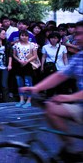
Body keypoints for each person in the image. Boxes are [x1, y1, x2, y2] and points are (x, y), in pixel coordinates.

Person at [21, 20, 83, 161]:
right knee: (51, 107)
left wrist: (69, 98)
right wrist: (36, 88)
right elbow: (61, 75)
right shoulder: (80, 56)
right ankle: (70, 148)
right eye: (77, 33)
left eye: (81, 34)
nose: (77, 37)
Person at [12, 30, 39, 108]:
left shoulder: (33, 45)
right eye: (22, 35)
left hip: (29, 65)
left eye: (26, 35)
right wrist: (19, 60)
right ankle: (21, 100)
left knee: (28, 83)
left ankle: (29, 100)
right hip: (18, 65)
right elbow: (14, 55)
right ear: (19, 36)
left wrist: (27, 61)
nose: (24, 37)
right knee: (19, 83)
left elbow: (35, 55)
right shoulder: (16, 45)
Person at [41, 32, 68, 96]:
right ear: (49, 39)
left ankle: (59, 99)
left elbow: (65, 58)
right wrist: (42, 66)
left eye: (55, 38)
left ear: (58, 39)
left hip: (60, 67)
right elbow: (43, 57)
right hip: (50, 67)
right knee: (50, 84)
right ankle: (49, 97)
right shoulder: (45, 47)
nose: (53, 39)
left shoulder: (63, 47)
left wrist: (66, 67)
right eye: (51, 38)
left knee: (60, 85)